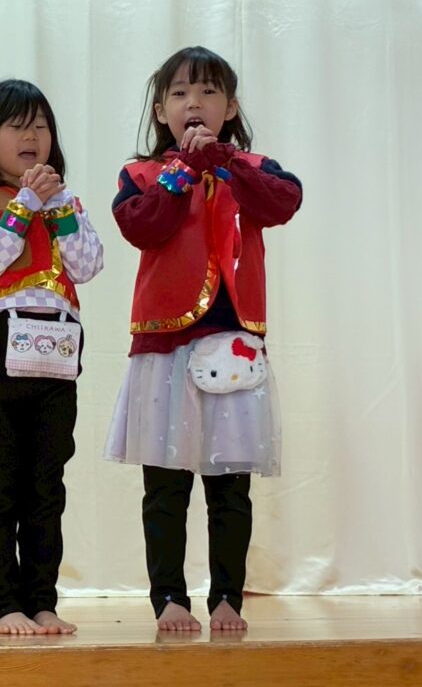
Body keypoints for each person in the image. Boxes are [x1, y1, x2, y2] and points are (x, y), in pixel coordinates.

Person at [103, 46, 302, 632]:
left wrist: (226, 161)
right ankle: (168, 596)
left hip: (233, 345)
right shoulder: (142, 174)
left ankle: (227, 598)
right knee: (165, 485)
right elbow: (143, 226)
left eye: (209, 91)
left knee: (229, 486)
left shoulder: (253, 167)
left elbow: (283, 203)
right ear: (161, 110)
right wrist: (184, 171)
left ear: (230, 107)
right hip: (164, 347)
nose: (195, 102)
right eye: (181, 92)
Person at [0, 79, 104, 635]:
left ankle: (42, 601)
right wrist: (25, 204)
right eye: (16, 125)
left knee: (46, 485)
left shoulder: (66, 203)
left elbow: (87, 265)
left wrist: (56, 206)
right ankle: (3, 605)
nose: (31, 135)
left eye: (40, 125)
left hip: (58, 345)